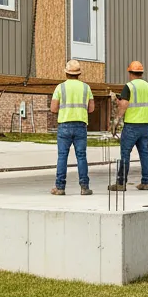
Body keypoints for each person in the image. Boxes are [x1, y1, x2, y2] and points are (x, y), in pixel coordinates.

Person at [50, 59, 95, 196]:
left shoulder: (60, 87)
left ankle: (60, 187)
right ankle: (84, 187)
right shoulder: (86, 88)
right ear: (79, 74)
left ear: (66, 73)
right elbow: (91, 108)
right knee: (81, 156)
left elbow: (53, 108)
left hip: (64, 125)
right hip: (81, 125)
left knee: (62, 156)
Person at [110, 60, 148, 191]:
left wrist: (116, 120)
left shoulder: (129, 87)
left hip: (131, 125)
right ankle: (146, 182)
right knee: (144, 153)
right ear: (141, 73)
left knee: (125, 153)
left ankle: (121, 183)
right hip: (145, 125)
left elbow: (124, 105)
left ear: (130, 73)